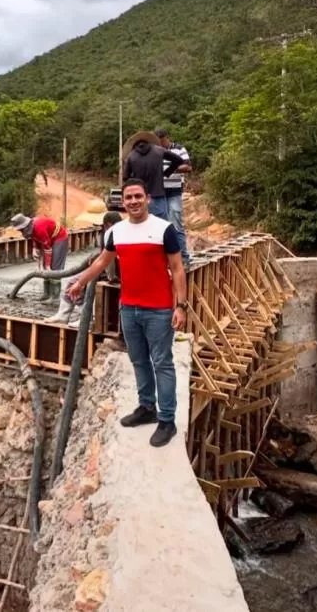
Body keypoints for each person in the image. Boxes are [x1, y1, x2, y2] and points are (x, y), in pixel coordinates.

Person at [67, 180, 188, 448]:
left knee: (162, 362)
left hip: (158, 308)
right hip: (129, 308)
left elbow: (178, 268)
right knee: (139, 360)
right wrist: (79, 283)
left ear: (147, 198)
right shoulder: (117, 232)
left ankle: (167, 420)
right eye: (128, 197)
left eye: (138, 196)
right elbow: (101, 261)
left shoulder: (163, 229)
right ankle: (147, 407)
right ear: (123, 202)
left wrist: (180, 306)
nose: (133, 201)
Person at [46, 209, 122, 325]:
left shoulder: (110, 232)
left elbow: (110, 260)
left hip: (113, 272)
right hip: (112, 270)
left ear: (108, 224)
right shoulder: (115, 231)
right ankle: (64, 315)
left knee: (86, 285)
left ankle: (86, 318)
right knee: (74, 281)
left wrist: (110, 277)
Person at [122, 131, 186, 223]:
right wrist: (167, 172)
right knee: (162, 227)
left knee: (142, 226)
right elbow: (179, 160)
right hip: (158, 196)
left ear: (134, 145)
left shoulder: (131, 156)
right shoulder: (159, 150)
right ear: (149, 141)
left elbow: (125, 177)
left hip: (141, 199)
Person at [155, 128, 193, 268]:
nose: (160, 143)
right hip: (159, 191)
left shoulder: (178, 149)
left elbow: (188, 167)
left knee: (176, 224)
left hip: (174, 191)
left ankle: (183, 257)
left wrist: (171, 170)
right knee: (161, 226)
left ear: (167, 138)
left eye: (162, 140)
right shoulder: (155, 151)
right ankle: (165, 260)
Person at [10, 213, 68, 300]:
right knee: (45, 268)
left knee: (54, 267)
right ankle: (46, 294)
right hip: (49, 238)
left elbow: (47, 248)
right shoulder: (31, 228)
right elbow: (36, 238)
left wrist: (48, 266)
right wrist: (35, 248)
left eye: (21, 230)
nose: (21, 232)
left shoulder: (39, 228)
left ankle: (54, 297)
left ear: (25, 226)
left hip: (59, 237)